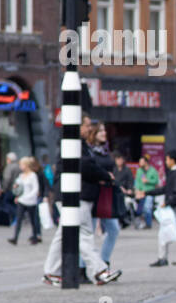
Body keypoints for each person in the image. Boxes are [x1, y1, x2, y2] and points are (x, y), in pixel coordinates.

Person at [42, 119, 121, 286]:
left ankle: (51, 271)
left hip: (72, 194)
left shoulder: (77, 144)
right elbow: (85, 166)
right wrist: (105, 176)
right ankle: (99, 270)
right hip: (75, 195)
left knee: (64, 234)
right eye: (85, 125)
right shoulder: (73, 143)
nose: (88, 128)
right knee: (83, 232)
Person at [86, 123, 124, 266]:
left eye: (104, 130)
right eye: (100, 130)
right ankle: (84, 266)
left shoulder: (104, 150)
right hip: (94, 192)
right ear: (93, 132)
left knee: (113, 229)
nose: (104, 133)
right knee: (89, 232)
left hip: (107, 194)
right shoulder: (89, 151)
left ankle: (104, 261)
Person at [7, 157, 42, 245]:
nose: (20, 166)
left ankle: (35, 236)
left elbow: (35, 189)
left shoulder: (33, 175)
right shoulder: (21, 176)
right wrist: (16, 192)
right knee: (19, 219)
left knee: (33, 220)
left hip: (31, 201)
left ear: (26, 165)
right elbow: (18, 188)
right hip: (21, 200)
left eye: (21, 165)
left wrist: (28, 196)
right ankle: (15, 237)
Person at [133, 154, 159, 228]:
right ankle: (141, 223)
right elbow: (137, 182)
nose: (140, 163)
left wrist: (148, 181)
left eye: (141, 162)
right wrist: (137, 191)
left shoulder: (153, 170)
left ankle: (148, 224)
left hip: (149, 192)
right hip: (141, 192)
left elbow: (156, 181)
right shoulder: (139, 171)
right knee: (140, 209)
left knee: (147, 207)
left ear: (146, 162)